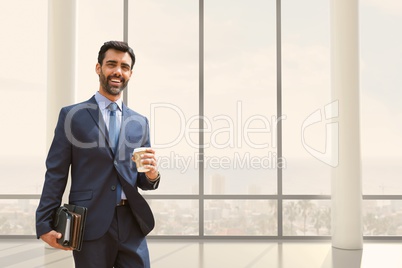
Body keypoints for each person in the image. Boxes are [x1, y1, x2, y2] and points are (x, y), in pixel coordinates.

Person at [36, 41, 160, 268]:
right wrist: (44, 223)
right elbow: (56, 173)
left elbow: (143, 180)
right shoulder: (72, 116)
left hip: (131, 223)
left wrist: (152, 175)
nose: (117, 71)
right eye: (111, 64)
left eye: (124, 67)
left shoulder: (140, 123)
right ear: (98, 68)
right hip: (89, 223)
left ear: (130, 73)